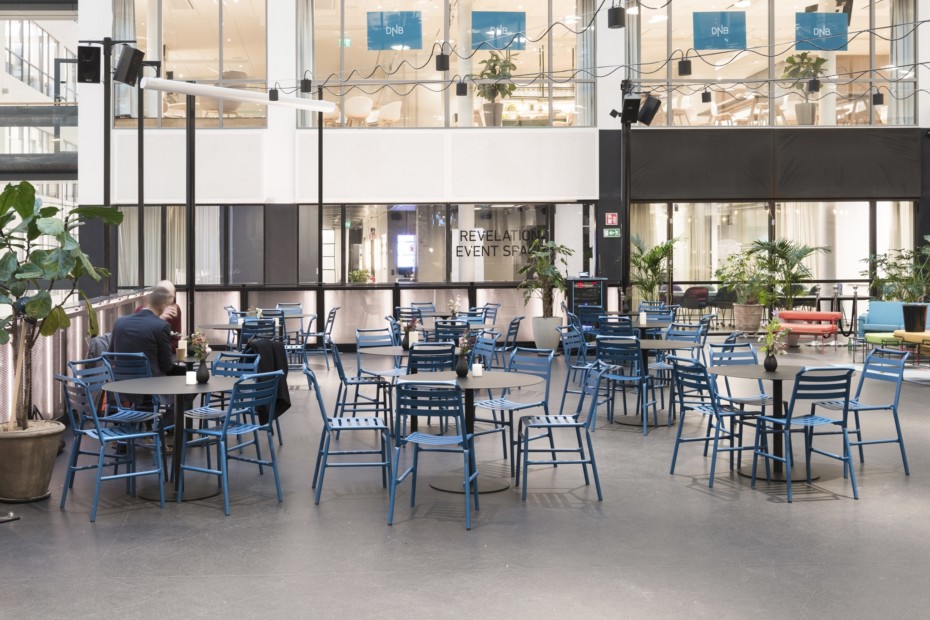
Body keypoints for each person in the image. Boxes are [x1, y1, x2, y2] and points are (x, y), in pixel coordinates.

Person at [111, 286, 179, 377]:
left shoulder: (119, 322)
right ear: (163, 305)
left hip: (120, 382)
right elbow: (166, 366)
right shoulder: (161, 326)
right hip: (150, 383)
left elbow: (110, 356)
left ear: (146, 303)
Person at [135, 280, 182, 351]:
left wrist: (164, 349)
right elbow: (140, 338)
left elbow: (176, 340)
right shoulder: (141, 310)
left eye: (171, 297)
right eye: (166, 297)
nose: (168, 300)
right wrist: (158, 319)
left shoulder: (174, 310)